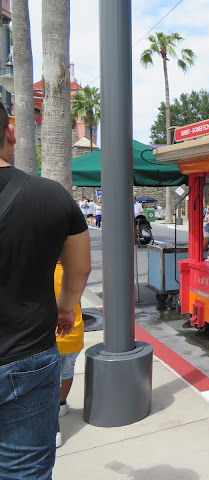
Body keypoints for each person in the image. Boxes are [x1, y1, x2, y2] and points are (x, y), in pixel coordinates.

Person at [0, 100, 91, 478]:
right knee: (25, 472)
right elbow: (80, 268)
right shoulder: (51, 196)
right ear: (9, 131)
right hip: (26, 352)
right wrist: (66, 308)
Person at [53, 263, 84, 448]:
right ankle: (62, 404)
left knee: (48, 382)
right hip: (74, 333)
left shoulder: (41, 269)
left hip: (51, 337)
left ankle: (54, 429)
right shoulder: (73, 270)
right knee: (67, 370)